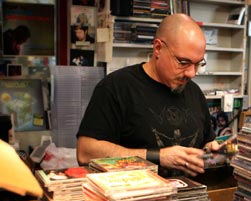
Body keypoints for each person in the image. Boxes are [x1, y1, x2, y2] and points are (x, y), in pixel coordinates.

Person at [76, 13, 221, 177]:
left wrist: (212, 150)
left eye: (198, 64)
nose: (191, 73)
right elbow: (85, 152)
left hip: (191, 198)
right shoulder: (117, 87)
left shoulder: (194, 92)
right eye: (183, 62)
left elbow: (206, 141)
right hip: (135, 198)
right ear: (158, 48)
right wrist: (158, 157)